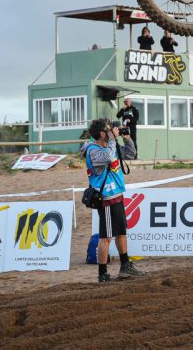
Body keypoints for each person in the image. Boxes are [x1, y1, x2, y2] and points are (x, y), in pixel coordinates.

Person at [81, 119, 143, 280]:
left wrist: (127, 138)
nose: (113, 131)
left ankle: (125, 266)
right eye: (109, 130)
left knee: (121, 232)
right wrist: (113, 140)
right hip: (106, 198)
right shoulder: (93, 150)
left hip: (117, 195)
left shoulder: (110, 145)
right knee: (106, 237)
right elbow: (108, 157)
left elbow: (131, 154)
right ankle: (103, 274)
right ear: (102, 134)